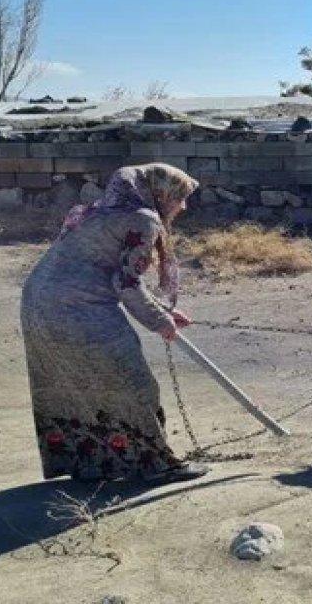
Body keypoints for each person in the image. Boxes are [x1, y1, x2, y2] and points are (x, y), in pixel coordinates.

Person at [20, 163, 209, 485]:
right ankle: (155, 466)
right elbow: (127, 284)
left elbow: (116, 273)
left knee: (75, 387)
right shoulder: (142, 219)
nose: (183, 206)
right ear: (161, 194)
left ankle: (90, 465)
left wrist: (162, 311)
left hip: (38, 306)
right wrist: (160, 321)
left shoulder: (98, 210)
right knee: (133, 383)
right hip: (78, 311)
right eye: (180, 197)